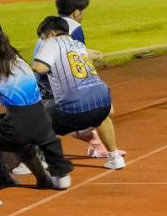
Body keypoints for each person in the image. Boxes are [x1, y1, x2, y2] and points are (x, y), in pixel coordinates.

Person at [0, 17, 76, 192]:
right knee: (39, 142)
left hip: (15, 126)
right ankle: (57, 176)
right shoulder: (20, 61)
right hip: (42, 120)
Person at [33, 16, 125, 164]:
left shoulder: (52, 43)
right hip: (104, 106)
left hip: (73, 111)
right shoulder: (78, 44)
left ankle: (39, 161)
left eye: (43, 38)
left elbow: (39, 68)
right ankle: (114, 158)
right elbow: (96, 55)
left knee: (34, 119)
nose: (43, 42)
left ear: (51, 33)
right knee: (100, 117)